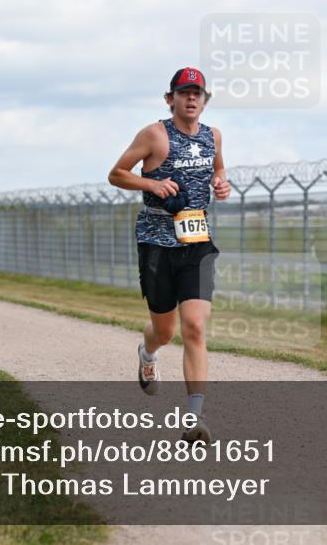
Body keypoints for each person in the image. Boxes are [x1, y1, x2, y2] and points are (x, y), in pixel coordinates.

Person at [109, 67, 231, 444]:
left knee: (194, 327)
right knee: (165, 330)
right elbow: (116, 174)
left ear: (204, 100)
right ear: (170, 99)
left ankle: (194, 419)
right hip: (156, 240)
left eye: (198, 93)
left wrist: (221, 182)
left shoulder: (213, 136)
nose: (191, 99)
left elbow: (219, 167)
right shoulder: (154, 135)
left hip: (196, 239)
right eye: (184, 93)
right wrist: (152, 183)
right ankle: (148, 353)